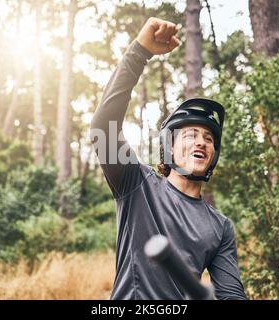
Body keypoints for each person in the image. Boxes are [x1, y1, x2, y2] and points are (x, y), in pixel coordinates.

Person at [90, 17, 246, 300]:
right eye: (190, 135)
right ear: (170, 148)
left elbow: (232, 295)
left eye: (208, 138)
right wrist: (140, 52)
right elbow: (103, 128)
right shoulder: (137, 184)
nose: (201, 141)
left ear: (213, 154)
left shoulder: (220, 226)